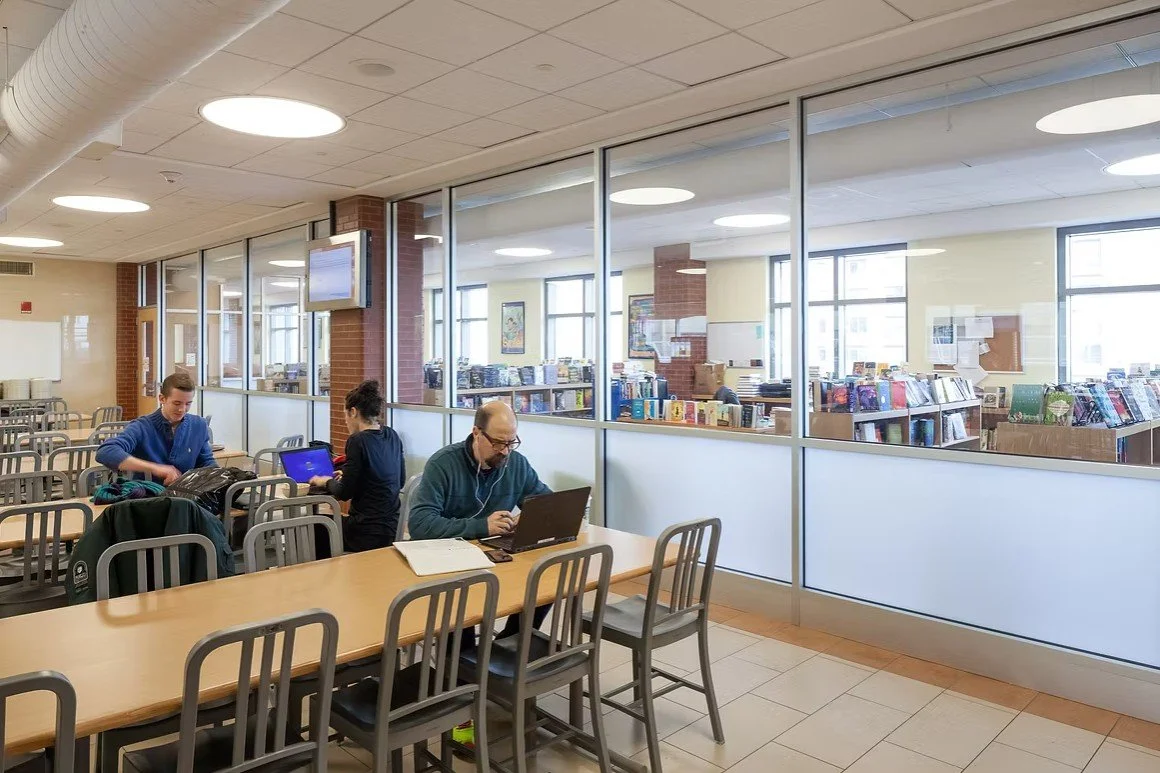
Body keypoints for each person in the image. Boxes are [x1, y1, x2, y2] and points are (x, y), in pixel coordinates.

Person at [408, 401, 550, 540]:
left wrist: (527, 518)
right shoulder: (442, 464)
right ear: (476, 433)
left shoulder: (517, 464)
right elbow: (420, 525)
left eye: (511, 442)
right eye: (498, 443)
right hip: (447, 550)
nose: (505, 451)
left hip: (491, 547)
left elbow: (550, 504)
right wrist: (482, 527)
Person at [308, 380, 405, 552]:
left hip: (365, 532)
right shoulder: (392, 435)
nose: (345, 421)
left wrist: (326, 481)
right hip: (391, 528)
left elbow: (343, 493)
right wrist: (349, 476)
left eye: (345, 415)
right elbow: (400, 480)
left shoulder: (357, 441)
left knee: (311, 526)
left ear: (353, 412)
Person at [96, 373, 215, 485]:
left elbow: (207, 463)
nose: (182, 409)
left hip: (187, 495)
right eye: (177, 403)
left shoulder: (199, 425)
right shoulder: (141, 427)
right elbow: (106, 451)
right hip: (148, 495)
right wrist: (155, 468)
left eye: (188, 403)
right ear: (162, 399)